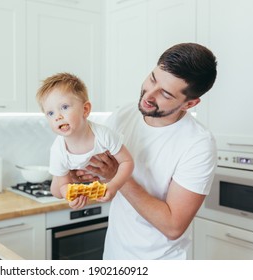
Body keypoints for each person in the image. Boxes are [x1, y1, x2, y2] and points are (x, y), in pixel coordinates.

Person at [73, 43, 218, 259]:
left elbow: (173, 226)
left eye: (166, 94)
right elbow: (101, 169)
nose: (149, 96)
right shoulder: (125, 114)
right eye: (152, 79)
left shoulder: (198, 145)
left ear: (190, 103)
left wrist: (117, 176)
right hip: (114, 255)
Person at [36, 72, 134, 209]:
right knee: (56, 191)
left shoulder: (103, 135)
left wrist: (114, 185)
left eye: (64, 107)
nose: (57, 116)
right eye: (50, 113)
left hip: (114, 193)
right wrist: (71, 197)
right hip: (76, 182)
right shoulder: (58, 149)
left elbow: (127, 162)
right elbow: (63, 186)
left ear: (85, 109)